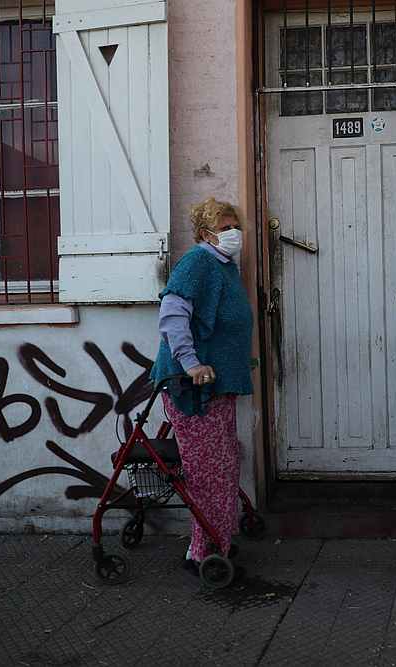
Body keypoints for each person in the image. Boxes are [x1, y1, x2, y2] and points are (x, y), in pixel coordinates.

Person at [150, 197, 254, 579]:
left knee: (226, 462)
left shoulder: (224, 267)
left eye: (234, 225)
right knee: (207, 469)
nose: (233, 233)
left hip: (217, 384)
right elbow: (173, 316)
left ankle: (219, 538)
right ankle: (200, 552)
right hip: (193, 386)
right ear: (206, 233)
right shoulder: (197, 263)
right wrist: (191, 363)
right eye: (225, 227)